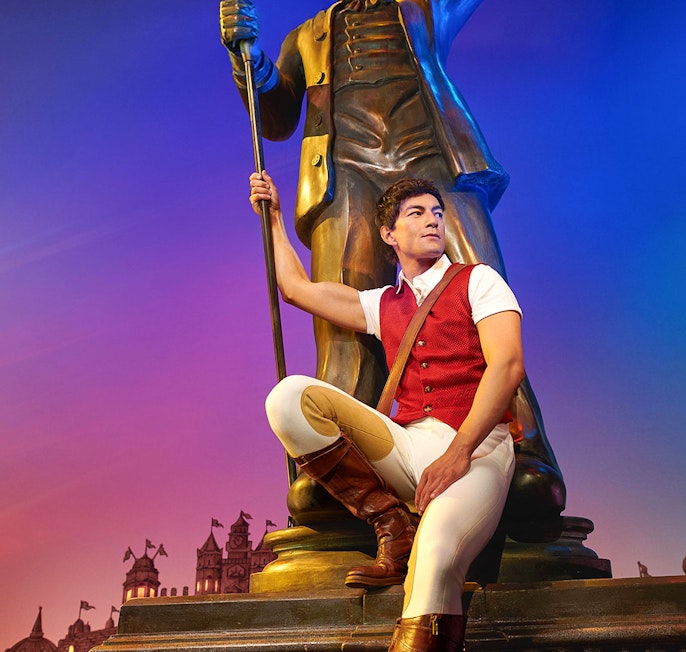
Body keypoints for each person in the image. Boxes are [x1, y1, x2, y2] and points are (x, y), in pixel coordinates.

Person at [220, 0, 565, 534]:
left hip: (433, 162)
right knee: (341, 333)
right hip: (344, 171)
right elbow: (279, 117)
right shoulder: (307, 37)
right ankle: (343, 469)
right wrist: (253, 64)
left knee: (482, 301)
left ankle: (525, 450)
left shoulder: (425, 6)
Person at [249, 169, 522, 650]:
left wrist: (459, 454)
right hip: (408, 445)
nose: (433, 221)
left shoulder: (480, 281)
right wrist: (272, 217)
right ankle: (391, 522)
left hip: (478, 450)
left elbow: (508, 367)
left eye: (437, 213)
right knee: (289, 397)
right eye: (416, 214)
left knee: (436, 559)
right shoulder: (384, 304)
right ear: (388, 234)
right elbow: (295, 290)